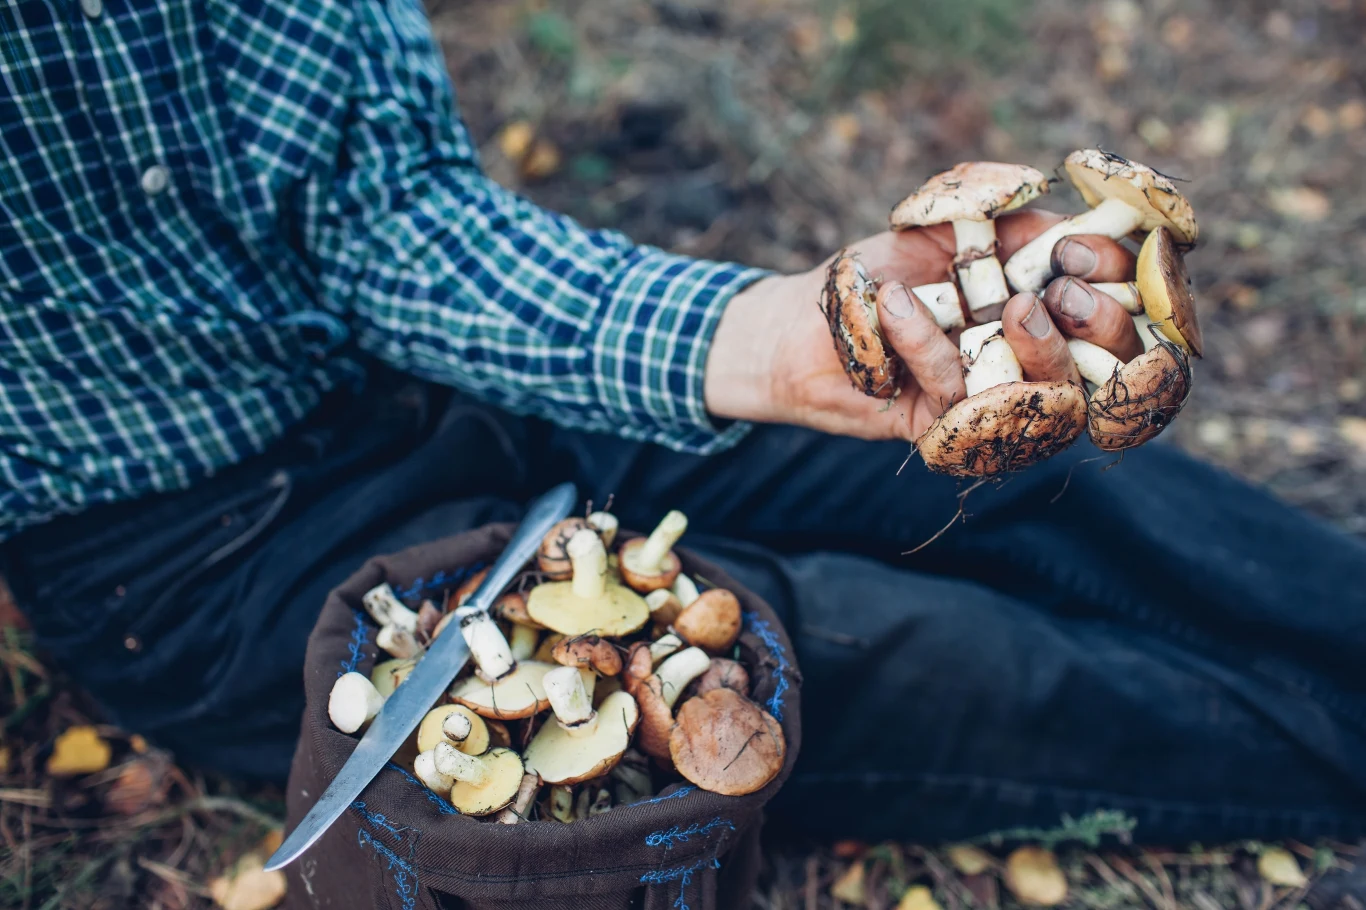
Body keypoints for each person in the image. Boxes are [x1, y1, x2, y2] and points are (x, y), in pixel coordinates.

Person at [2, 0, 1365, 850]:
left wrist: (767, 339)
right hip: (202, 554)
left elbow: (389, 222)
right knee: (866, 648)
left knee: (1039, 474)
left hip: (435, 366)